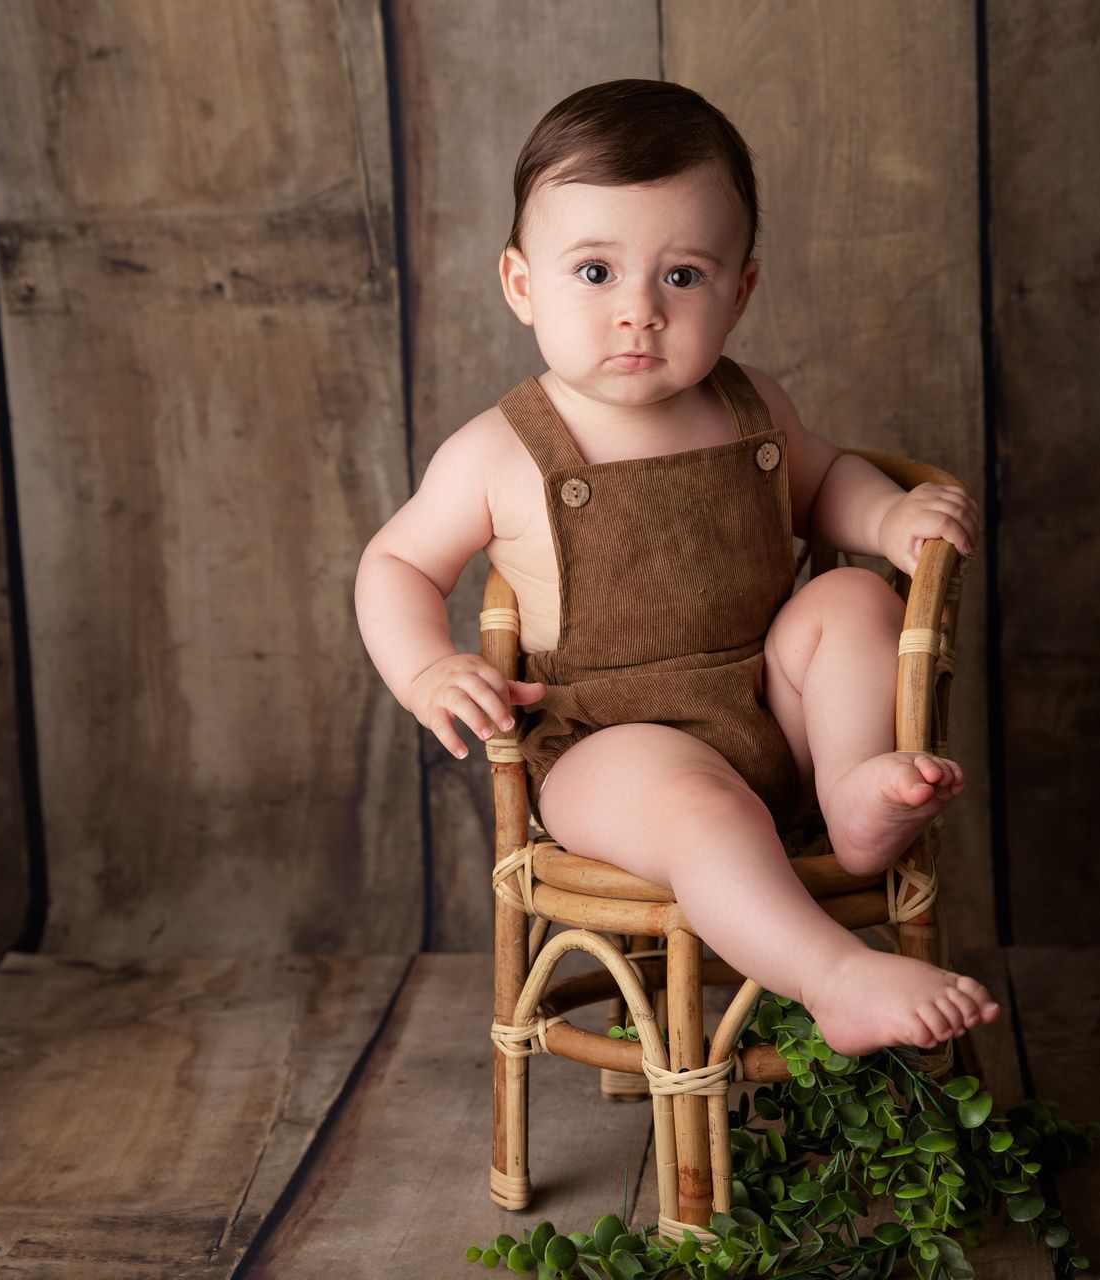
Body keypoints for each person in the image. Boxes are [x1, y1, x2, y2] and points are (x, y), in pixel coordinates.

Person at [355, 79, 999, 1055]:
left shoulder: (752, 407)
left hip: (771, 715)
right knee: (694, 800)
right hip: (607, 746)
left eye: (683, 276)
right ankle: (836, 975)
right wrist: (428, 667)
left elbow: (824, 482)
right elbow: (396, 560)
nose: (640, 313)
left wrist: (890, 514)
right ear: (523, 284)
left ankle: (857, 784)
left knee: (852, 593)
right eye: (596, 272)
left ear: (739, 289)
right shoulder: (500, 450)